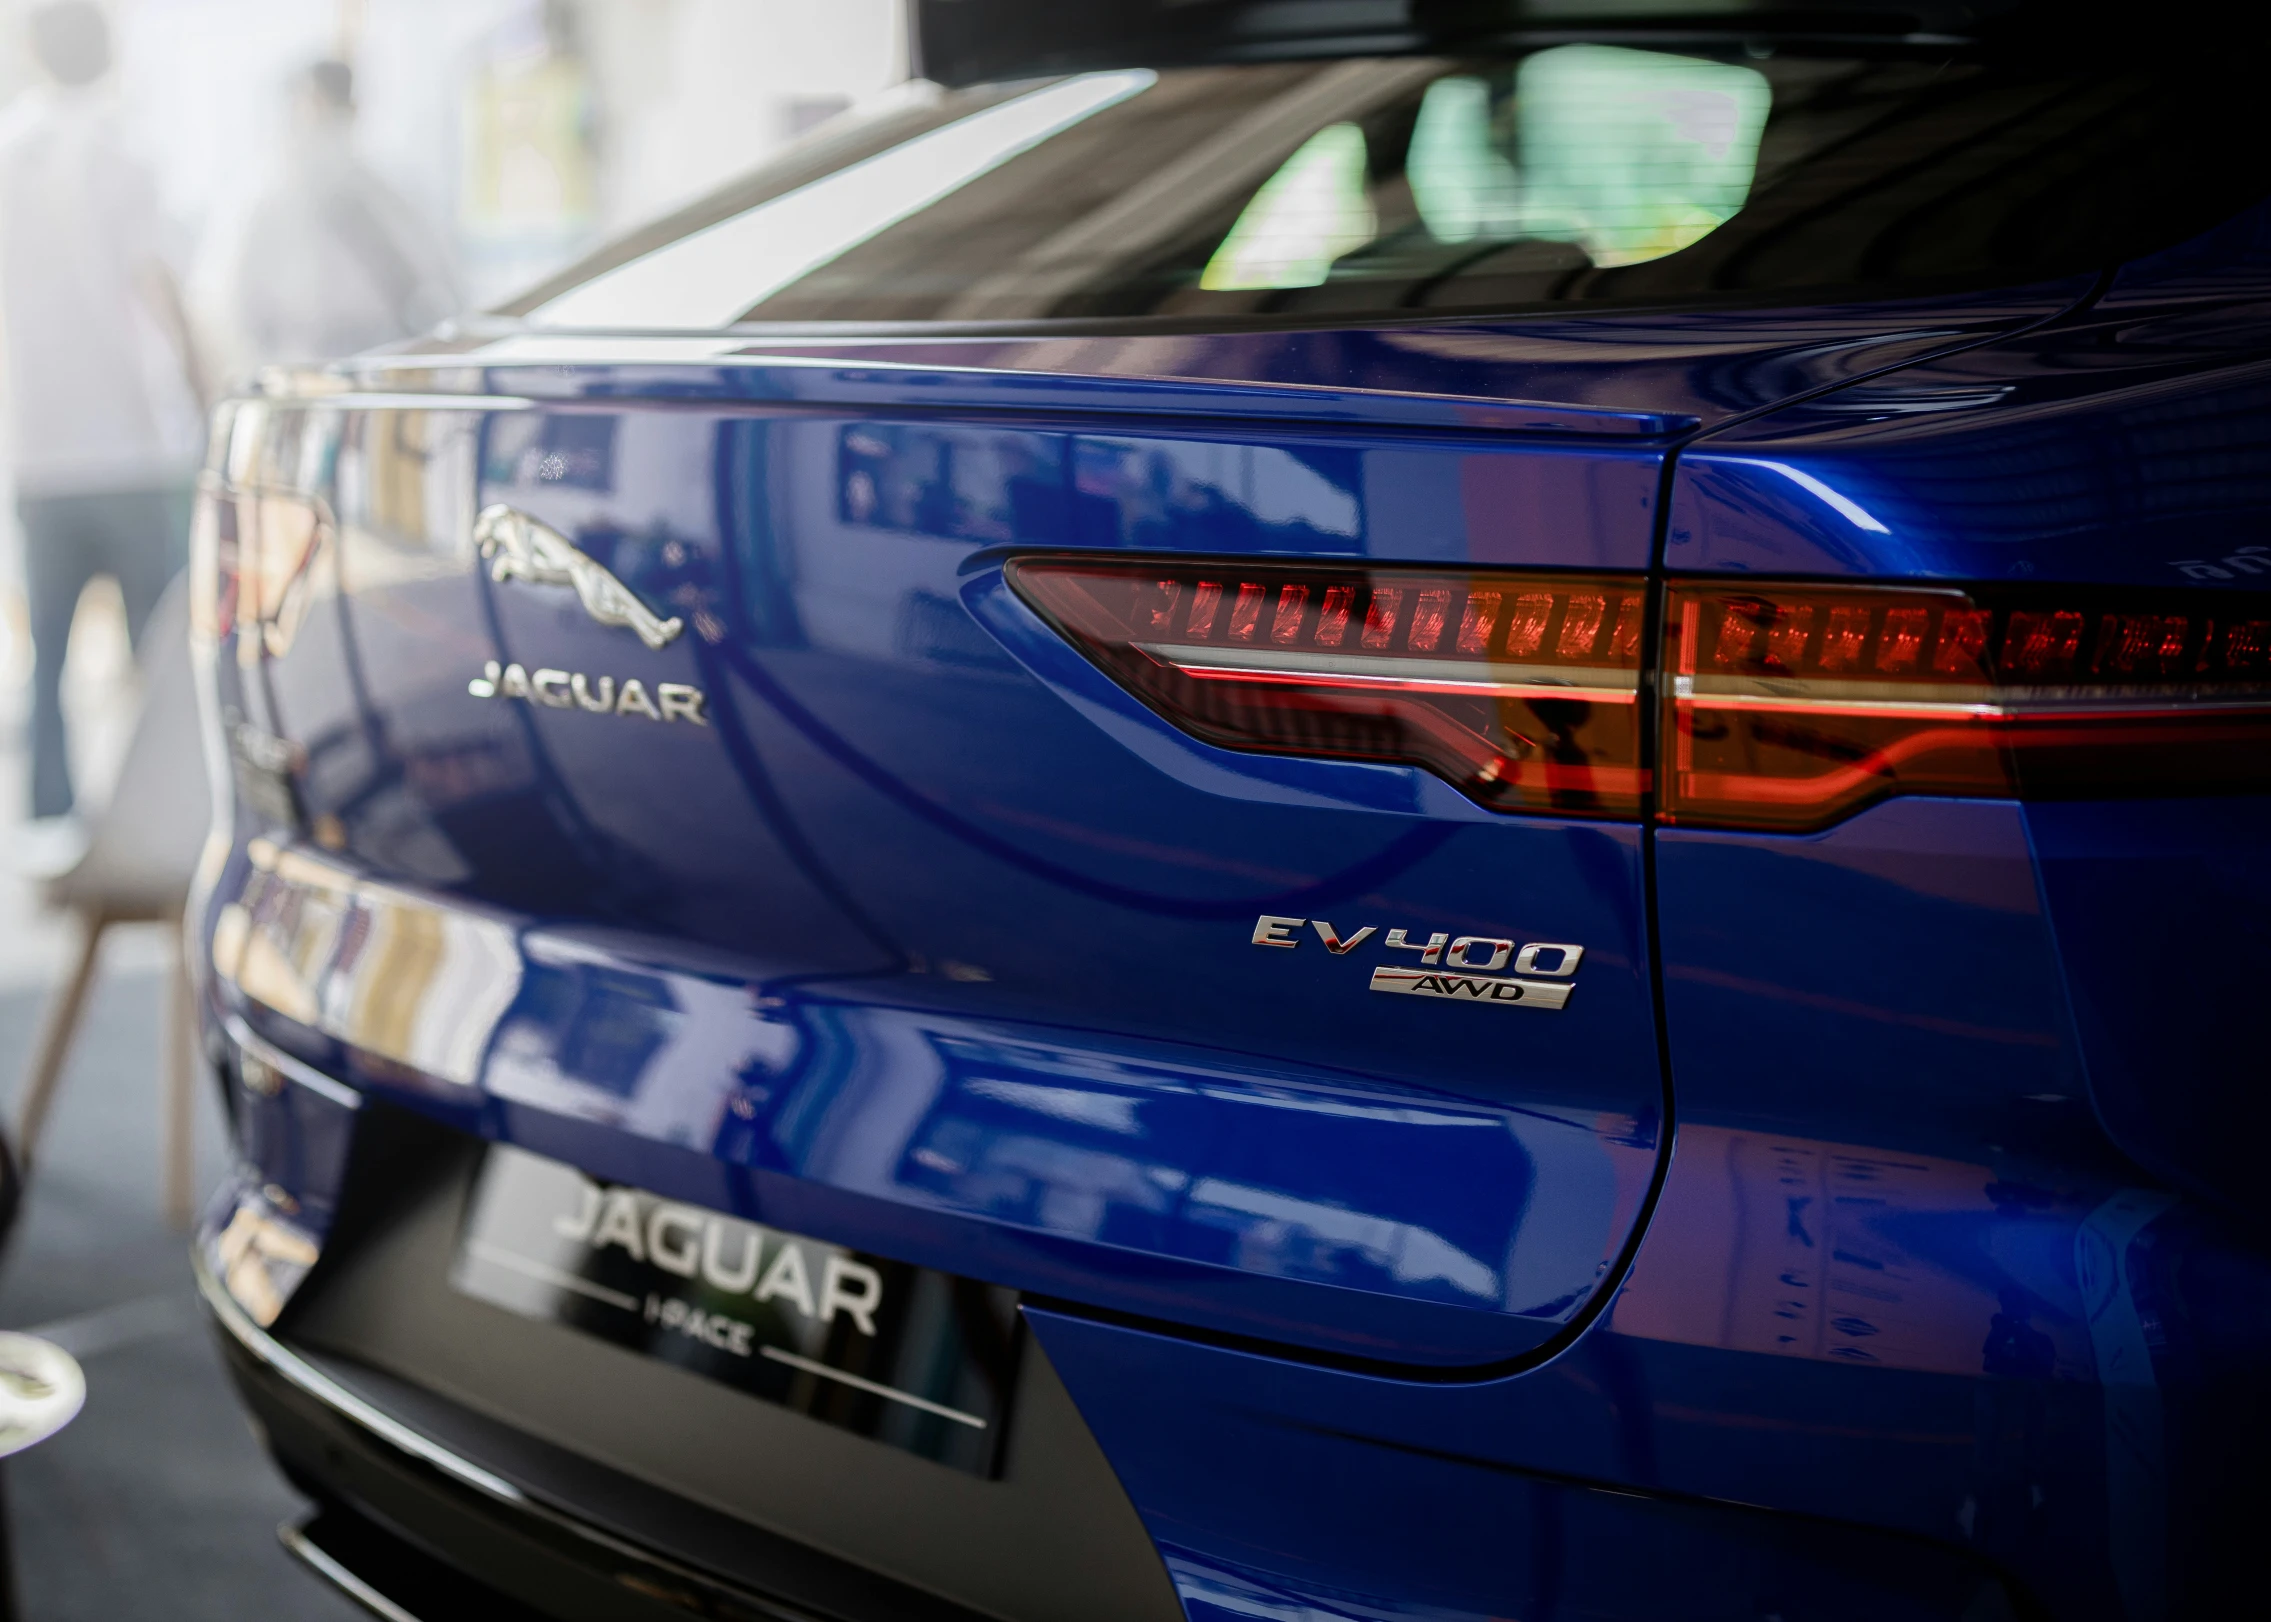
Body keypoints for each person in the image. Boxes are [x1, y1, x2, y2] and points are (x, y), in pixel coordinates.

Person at [0, 1, 206, 846]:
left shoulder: (9, 149)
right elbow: (156, 282)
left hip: (40, 450)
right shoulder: (123, 149)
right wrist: (205, 386)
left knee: (48, 655)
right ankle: (160, 823)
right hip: (130, 447)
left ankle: (49, 828)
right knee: (157, 662)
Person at [210, 58, 459, 378]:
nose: (322, 119)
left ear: (353, 109)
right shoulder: (263, 199)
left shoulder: (386, 195)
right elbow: (230, 312)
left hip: (378, 371)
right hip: (295, 375)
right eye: (314, 105)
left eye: (331, 105)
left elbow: (439, 288)